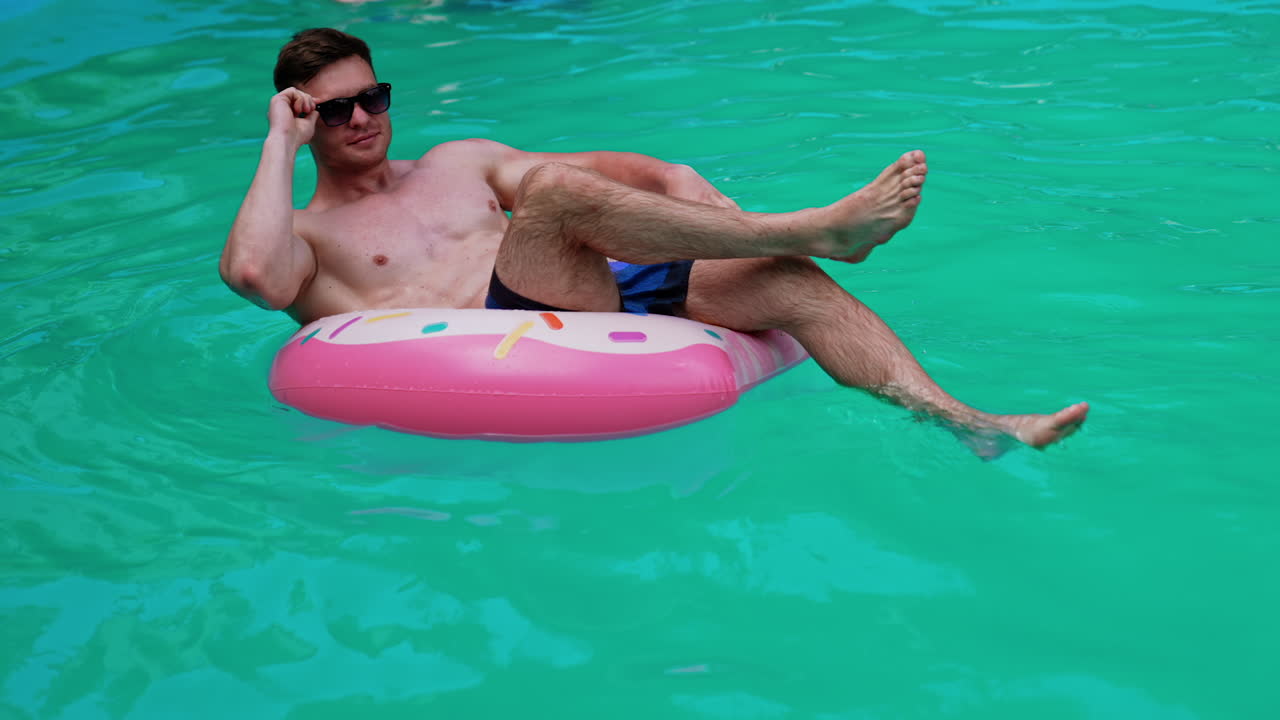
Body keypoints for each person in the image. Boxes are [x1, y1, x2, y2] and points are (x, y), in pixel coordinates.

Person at [221, 27, 1088, 457]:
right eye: (334, 110)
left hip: (584, 294)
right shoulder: (304, 232)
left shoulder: (458, 160)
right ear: (304, 120)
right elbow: (253, 275)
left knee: (791, 287)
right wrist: (274, 141)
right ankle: (824, 229)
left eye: (373, 97)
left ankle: (972, 425)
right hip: (496, 334)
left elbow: (612, 170)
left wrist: (674, 176)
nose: (364, 118)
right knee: (554, 199)